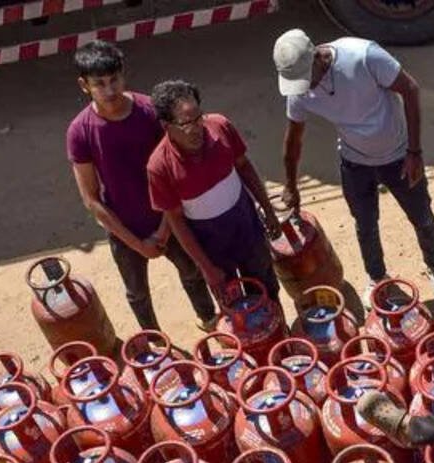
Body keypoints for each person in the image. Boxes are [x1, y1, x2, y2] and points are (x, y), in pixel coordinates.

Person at [273, 28, 434, 302]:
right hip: (354, 162)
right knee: (365, 224)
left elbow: (410, 89)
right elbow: (294, 139)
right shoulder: (299, 90)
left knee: (421, 216)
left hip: (398, 157)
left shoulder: (363, 56)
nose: (304, 87)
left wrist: (414, 151)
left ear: (316, 57)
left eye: (306, 79)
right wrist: (291, 185)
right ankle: (377, 277)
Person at [65, 40, 218, 332]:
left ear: (123, 74)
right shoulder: (79, 132)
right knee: (137, 293)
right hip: (124, 229)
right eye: (99, 84)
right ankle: (155, 342)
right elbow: (91, 200)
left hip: (169, 219)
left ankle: (210, 321)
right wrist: (137, 244)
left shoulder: (151, 111)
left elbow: (176, 171)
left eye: (114, 79)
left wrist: (164, 229)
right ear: (84, 86)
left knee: (192, 273)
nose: (110, 90)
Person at [145, 80, 283, 304]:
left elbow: (244, 167)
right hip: (212, 249)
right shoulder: (159, 167)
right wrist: (206, 268)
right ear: (166, 125)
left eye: (198, 118)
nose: (196, 128)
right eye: (185, 123)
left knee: (268, 294)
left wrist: (268, 210)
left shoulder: (220, 126)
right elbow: (176, 221)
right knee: (234, 307)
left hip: (248, 230)